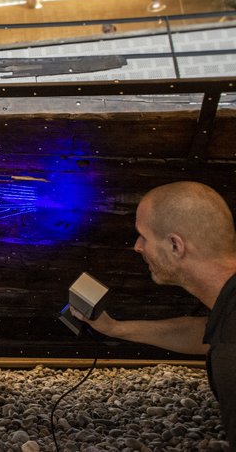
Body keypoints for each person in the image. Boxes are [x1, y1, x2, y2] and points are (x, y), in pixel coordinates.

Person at [73, 181, 236, 443]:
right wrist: (114, 328)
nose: (137, 246)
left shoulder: (230, 353)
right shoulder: (228, 315)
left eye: (144, 236)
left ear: (175, 245)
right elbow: (205, 333)